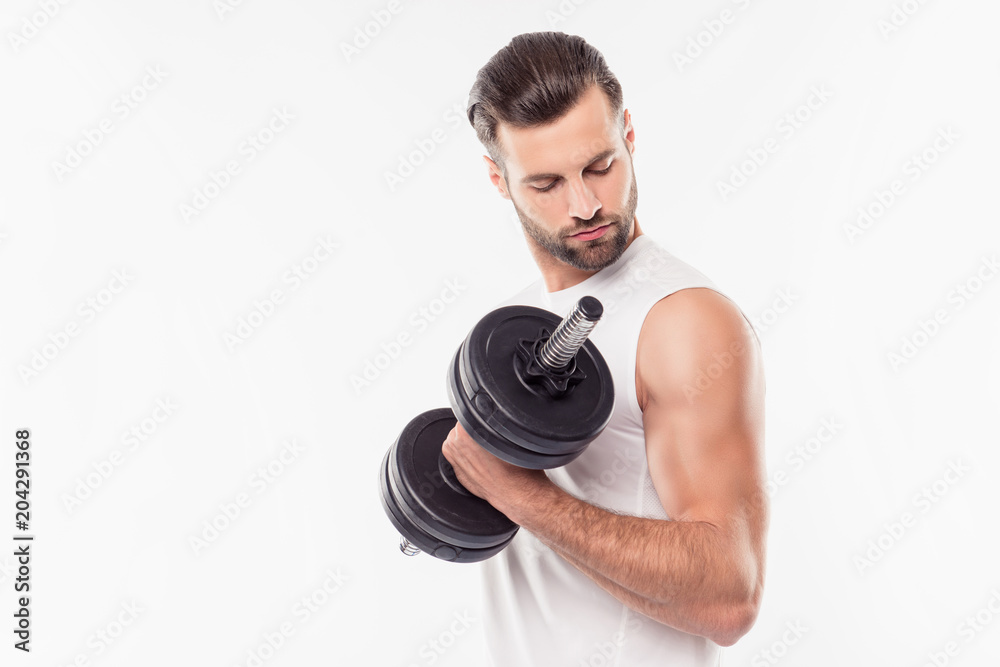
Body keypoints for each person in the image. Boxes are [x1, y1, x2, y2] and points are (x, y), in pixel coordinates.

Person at [441, 31, 769, 666]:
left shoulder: (682, 320)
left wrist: (520, 494)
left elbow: (731, 595)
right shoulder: (515, 322)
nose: (586, 204)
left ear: (630, 136)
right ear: (498, 179)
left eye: (600, 165)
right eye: (546, 183)